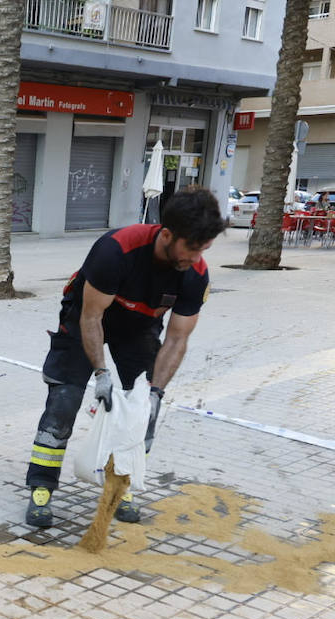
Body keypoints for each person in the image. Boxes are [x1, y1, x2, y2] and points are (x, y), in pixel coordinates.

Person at [25, 186, 224, 527]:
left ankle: (121, 485)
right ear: (167, 234)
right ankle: (41, 489)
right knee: (64, 400)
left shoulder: (196, 274)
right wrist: (101, 373)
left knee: (139, 410)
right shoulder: (116, 250)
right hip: (86, 316)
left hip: (139, 327)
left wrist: (156, 393)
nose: (196, 257)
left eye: (203, 249)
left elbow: (177, 339)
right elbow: (91, 318)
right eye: (191, 247)